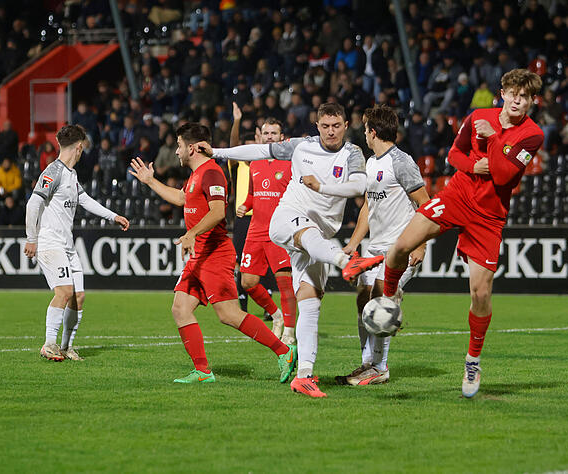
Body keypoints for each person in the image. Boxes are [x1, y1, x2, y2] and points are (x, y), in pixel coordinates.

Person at [380, 69, 544, 398]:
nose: (517, 100)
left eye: (524, 96)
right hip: (456, 196)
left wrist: (493, 140)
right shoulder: (478, 116)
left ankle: (472, 360)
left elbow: (502, 177)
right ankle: (389, 298)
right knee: (399, 248)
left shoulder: (532, 135)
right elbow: (453, 155)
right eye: (513, 93)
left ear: (532, 101)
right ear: (502, 92)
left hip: (489, 216)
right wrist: (473, 166)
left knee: (481, 295)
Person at [204, 103, 384, 397]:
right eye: (325, 126)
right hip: (287, 219)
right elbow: (259, 151)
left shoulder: (351, 153)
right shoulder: (302, 146)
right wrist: (219, 152)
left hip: (320, 236)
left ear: (345, 125)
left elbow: (358, 185)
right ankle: (345, 261)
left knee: (310, 303)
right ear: (317, 125)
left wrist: (322, 187)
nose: (330, 131)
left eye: (336, 126)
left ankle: (304, 375)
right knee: (306, 234)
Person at [128, 123, 296, 384]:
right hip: (199, 254)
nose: (176, 152)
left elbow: (218, 212)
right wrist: (151, 181)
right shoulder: (196, 175)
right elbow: (183, 199)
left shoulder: (212, 173)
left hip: (215, 253)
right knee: (180, 308)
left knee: (228, 314)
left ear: (192, 147)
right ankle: (203, 372)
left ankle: (284, 351)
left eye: (179, 146)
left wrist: (192, 233)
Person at [336, 105, 431, 386]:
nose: (363, 133)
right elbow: (368, 206)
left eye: (365, 129)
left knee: (381, 298)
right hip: (374, 247)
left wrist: (420, 245)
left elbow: (426, 206)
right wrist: (353, 244)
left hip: (400, 248)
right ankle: (368, 363)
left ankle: (380, 367)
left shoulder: (400, 162)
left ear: (373, 132)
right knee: (363, 299)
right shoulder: (372, 162)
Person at [24, 125, 130, 362]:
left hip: (67, 245)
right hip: (50, 242)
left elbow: (85, 200)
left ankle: (66, 347)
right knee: (64, 292)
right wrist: (31, 238)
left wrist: (112, 216)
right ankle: (49, 343)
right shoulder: (53, 171)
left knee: (78, 296)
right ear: (79, 147)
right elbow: (33, 204)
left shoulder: (71, 174)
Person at [235, 114, 298, 347]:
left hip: (279, 231)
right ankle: (277, 315)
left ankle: (289, 331)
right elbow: (253, 195)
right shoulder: (255, 163)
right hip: (256, 230)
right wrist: (245, 205)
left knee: (284, 281)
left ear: (282, 137)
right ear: (260, 136)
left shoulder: (291, 164)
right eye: (266, 133)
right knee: (247, 282)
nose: (269, 136)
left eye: (274, 133)